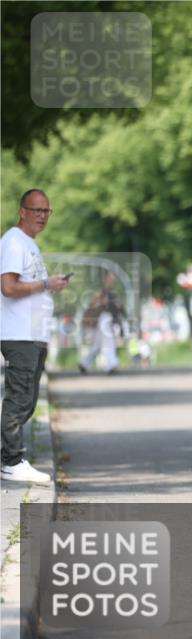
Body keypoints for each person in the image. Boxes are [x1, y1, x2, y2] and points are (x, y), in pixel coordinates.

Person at [1, 189, 69, 483]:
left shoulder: (29, 244)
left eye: (46, 211)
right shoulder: (14, 242)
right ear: (22, 212)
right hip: (20, 335)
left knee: (27, 401)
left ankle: (9, 457)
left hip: (33, 335)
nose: (42, 216)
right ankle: (11, 461)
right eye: (37, 210)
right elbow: (8, 288)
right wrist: (45, 284)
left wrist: (49, 286)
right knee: (18, 400)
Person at [78, 271, 125, 374]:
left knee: (98, 345)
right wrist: (102, 302)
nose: (112, 281)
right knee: (109, 342)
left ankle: (84, 363)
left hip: (107, 319)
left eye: (113, 279)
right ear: (105, 279)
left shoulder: (112, 293)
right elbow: (93, 305)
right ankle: (111, 364)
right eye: (110, 278)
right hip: (103, 318)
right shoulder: (102, 292)